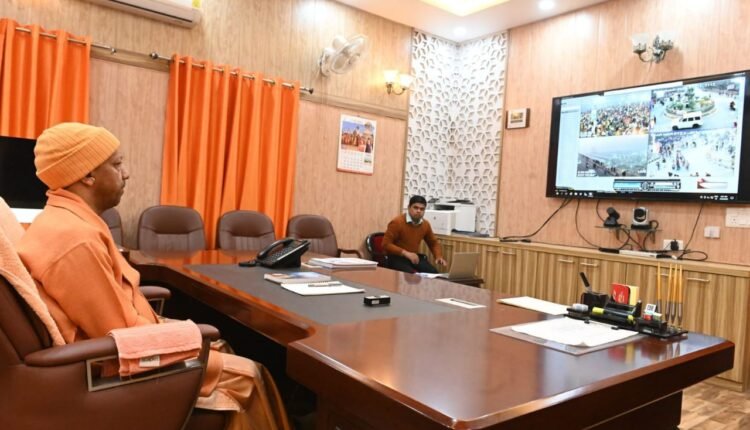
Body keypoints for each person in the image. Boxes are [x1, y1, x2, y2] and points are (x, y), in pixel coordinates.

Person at [17, 123, 290, 430]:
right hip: (111, 369)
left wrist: (179, 334)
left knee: (220, 345)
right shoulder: (74, 239)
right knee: (249, 376)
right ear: (87, 175)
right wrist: (183, 339)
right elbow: (117, 334)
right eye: (117, 165)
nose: (126, 174)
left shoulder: (70, 221)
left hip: (124, 343)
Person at [382, 195, 447, 273]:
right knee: (411, 275)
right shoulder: (397, 222)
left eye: (422, 209)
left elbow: (433, 243)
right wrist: (405, 253)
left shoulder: (425, 224)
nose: (419, 211)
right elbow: (386, 244)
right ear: (409, 207)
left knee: (433, 272)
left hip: (413, 257)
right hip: (396, 257)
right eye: (415, 208)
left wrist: (438, 256)